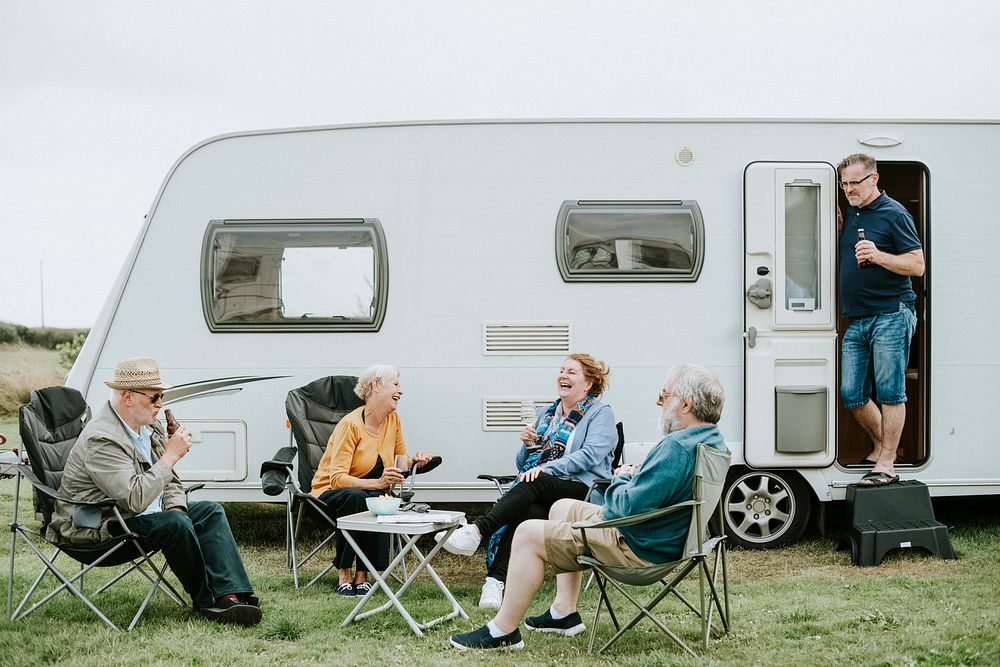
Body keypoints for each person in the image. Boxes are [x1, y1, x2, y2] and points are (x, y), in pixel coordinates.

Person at [449, 364, 727, 651]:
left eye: (663, 395)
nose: (658, 401)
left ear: (685, 404)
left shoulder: (675, 448)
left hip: (636, 546)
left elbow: (624, 507)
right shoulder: (710, 439)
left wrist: (622, 477)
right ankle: (563, 613)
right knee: (561, 508)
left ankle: (502, 631)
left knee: (528, 532)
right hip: (656, 535)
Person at [49, 357, 262, 626]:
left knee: (209, 510)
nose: (160, 404)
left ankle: (233, 594)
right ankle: (209, 602)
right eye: (154, 397)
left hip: (139, 515)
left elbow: (170, 481)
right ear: (127, 397)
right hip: (99, 526)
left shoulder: (148, 426)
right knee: (174, 524)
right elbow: (135, 498)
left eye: (162, 396)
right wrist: (170, 456)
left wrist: (175, 506)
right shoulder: (102, 438)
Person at [438, 353, 617, 610]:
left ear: (588, 384)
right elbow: (524, 465)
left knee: (537, 481)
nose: (563, 376)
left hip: (584, 492)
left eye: (572, 372)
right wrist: (527, 445)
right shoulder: (547, 413)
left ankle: (478, 531)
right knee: (528, 512)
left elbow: (590, 456)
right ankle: (495, 582)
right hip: (545, 491)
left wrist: (547, 468)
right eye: (562, 370)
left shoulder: (600, 413)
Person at [838, 153, 924, 487]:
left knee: (891, 391)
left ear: (873, 179)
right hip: (858, 319)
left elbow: (917, 265)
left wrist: (878, 256)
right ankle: (882, 448)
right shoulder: (852, 211)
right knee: (852, 394)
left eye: (854, 183)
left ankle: (887, 464)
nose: (848, 189)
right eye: (844, 184)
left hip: (891, 313)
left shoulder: (894, 213)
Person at [310, 364, 433, 596]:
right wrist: (377, 483)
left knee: (379, 499)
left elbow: (399, 461)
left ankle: (364, 573)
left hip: (369, 492)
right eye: (395, 384)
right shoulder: (350, 425)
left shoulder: (393, 420)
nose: (401, 390)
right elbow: (336, 478)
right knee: (358, 497)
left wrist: (415, 461)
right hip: (331, 493)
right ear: (376, 385)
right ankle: (344, 571)